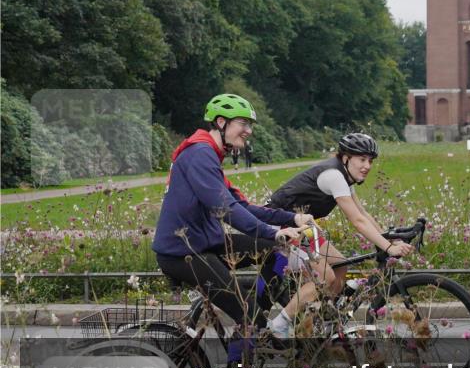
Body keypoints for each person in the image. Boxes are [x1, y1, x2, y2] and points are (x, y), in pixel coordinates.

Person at [152, 94, 329, 340]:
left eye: (250, 125)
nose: (249, 131)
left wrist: (293, 219)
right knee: (249, 315)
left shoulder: (208, 154)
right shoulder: (199, 155)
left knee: (275, 251)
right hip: (184, 253)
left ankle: (267, 308)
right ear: (221, 122)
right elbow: (226, 209)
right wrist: (273, 232)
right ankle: (243, 352)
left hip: (204, 243)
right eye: (243, 123)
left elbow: (243, 205)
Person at [265, 133, 414, 300]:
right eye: (362, 159)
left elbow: (362, 213)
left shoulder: (345, 177)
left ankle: (326, 312)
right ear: (345, 158)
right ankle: (284, 317)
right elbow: (357, 221)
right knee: (324, 277)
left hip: (301, 227)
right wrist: (388, 248)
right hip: (278, 224)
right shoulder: (334, 176)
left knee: (340, 266)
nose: (367, 166)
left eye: (370, 161)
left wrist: (389, 239)